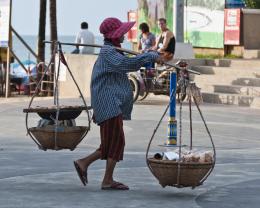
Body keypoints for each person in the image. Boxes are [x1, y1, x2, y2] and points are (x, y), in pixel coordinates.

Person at [73, 17, 161, 190]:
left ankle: (84, 163)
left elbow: (127, 61)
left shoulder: (113, 51)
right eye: (121, 33)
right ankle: (106, 179)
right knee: (116, 141)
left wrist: (148, 56)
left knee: (110, 142)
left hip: (110, 103)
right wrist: (149, 56)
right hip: (108, 103)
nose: (124, 36)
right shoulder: (108, 53)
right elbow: (127, 64)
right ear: (114, 36)